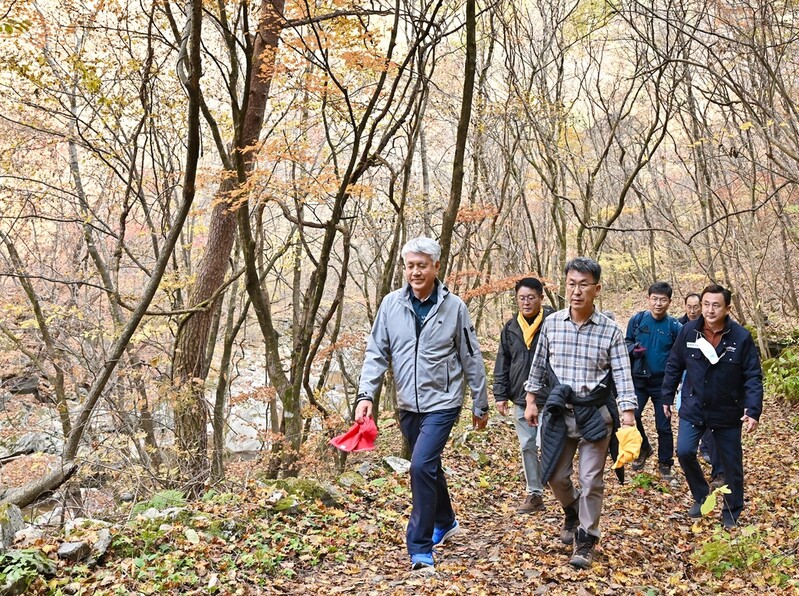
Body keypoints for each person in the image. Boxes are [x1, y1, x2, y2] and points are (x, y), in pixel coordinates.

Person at [354, 236, 489, 571]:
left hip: (443, 401)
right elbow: (376, 353)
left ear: (436, 267)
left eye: (422, 265)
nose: (415, 272)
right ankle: (446, 520)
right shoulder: (391, 305)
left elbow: (471, 356)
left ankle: (420, 548)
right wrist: (365, 395)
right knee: (427, 466)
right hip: (407, 404)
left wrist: (480, 402)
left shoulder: (454, 308)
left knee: (419, 466)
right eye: (410, 266)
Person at [524, 257, 637, 569]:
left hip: (595, 416)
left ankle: (586, 539)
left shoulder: (610, 331)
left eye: (584, 285)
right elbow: (538, 365)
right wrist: (531, 400)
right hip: (560, 414)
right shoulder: (551, 324)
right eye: (571, 284)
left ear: (596, 289)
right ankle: (572, 510)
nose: (576, 291)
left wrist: (628, 416)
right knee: (555, 476)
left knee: (591, 480)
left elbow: (623, 376)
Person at [661, 284, 763, 530]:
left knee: (731, 464)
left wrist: (753, 410)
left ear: (727, 308)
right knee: (684, 451)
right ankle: (701, 495)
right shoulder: (689, 332)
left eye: (716, 305)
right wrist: (666, 396)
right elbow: (674, 365)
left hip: (727, 410)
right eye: (706, 304)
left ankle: (731, 512)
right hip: (694, 406)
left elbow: (752, 376)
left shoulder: (741, 337)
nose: (709, 310)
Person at [493, 278, 554, 513]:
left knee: (548, 443)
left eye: (531, 297)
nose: (526, 302)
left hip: (549, 396)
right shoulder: (511, 328)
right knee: (527, 445)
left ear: (541, 298)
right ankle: (534, 493)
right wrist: (500, 394)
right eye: (521, 298)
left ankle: (559, 485)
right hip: (520, 396)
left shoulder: (554, 323)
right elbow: (503, 362)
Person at [625, 282, 682, 478]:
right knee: (633, 416)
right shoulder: (637, 320)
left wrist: (677, 380)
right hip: (638, 380)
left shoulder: (675, 326)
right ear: (648, 299)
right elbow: (626, 341)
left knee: (663, 425)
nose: (658, 303)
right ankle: (644, 448)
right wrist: (633, 350)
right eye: (655, 299)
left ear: (669, 302)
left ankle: (665, 462)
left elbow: (680, 355)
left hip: (663, 383)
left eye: (662, 300)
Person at [679, 293, 723, 483]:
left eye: (696, 306)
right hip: (687, 385)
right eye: (689, 306)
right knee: (684, 446)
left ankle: (716, 465)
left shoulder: (723, 330)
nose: (693, 310)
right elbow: (674, 359)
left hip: (715, 390)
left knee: (713, 429)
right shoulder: (682, 327)